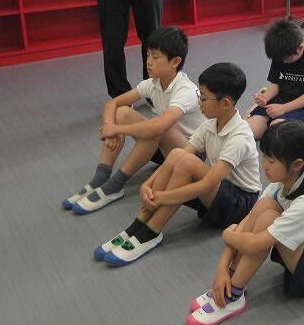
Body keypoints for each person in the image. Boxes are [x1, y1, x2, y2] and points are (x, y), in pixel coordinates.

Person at [186, 121, 304, 325]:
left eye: (271, 160)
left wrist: (227, 235)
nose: (264, 165)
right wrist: (222, 270)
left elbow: (253, 244)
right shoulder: (283, 183)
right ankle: (231, 279)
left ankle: (234, 295)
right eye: (264, 156)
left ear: (297, 165)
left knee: (267, 219)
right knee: (264, 207)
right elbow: (248, 222)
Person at [95, 62, 262, 266]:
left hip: (240, 205)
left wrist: (160, 196)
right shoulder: (210, 125)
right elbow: (179, 155)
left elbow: (206, 185)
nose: (199, 103)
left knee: (188, 163)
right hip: (217, 193)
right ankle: (138, 224)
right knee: (177, 155)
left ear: (225, 103)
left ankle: (152, 231)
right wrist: (147, 185)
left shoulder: (240, 137)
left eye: (204, 98)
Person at [62, 27, 205, 214]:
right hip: (167, 148)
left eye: (156, 57)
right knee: (122, 113)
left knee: (158, 128)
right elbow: (113, 103)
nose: (149, 62)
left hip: (194, 156)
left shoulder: (185, 90)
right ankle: (101, 176)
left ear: (175, 62)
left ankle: (115, 186)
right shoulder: (152, 84)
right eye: (148, 55)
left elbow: (160, 127)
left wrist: (117, 130)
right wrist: (110, 126)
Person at [246, 19, 304, 140]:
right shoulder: (281, 52)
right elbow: (276, 84)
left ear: (300, 48)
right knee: (248, 132)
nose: (284, 63)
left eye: (287, 60)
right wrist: (265, 97)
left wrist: (284, 108)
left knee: (277, 134)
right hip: (280, 100)